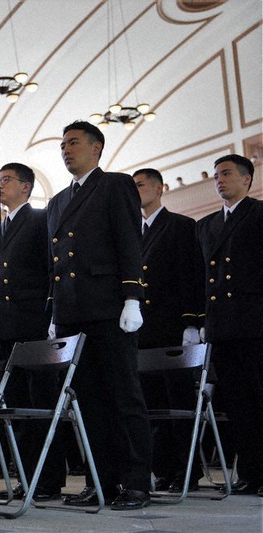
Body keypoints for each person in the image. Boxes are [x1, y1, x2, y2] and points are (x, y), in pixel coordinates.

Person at [48, 121, 151, 510]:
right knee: (88, 402)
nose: (65, 149)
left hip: (109, 306)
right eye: (62, 144)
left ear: (97, 147)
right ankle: (100, 480)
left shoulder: (114, 185)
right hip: (73, 311)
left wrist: (132, 297)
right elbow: (53, 264)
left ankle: (136, 482)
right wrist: (54, 311)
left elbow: (129, 241)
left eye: (73, 142)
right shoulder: (57, 201)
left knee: (124, 397)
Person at [0, 162, 63, 501]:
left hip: (33, 323)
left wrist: (52, 314)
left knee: (41, 405)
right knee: (16, 407)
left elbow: (53, 267)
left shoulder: (38, 218)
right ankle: (27, 477)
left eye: (6, 180)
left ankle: (48, 480)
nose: (0, 185)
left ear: (26, 186)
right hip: (6, 327)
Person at [133, 168, 204, 492]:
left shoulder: (179, 225)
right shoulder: (134, 230)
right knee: (152, 405)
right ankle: (163, 469)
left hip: (171, 326)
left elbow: (190, 276)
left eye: (141, 185)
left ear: (160, 188)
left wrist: (191, 321)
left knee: (178, 403)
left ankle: (187, 470)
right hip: (142, 330)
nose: (136, 191)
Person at [196, 154, 263, 497]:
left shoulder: (259, 214)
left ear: (247, 179)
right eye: (215, 175)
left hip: (255, 323)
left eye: (226, 174)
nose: (219, 180)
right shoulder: (205, 225)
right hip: (221, 326)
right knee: (237, 406)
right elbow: (201, 280)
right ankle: (251, 473)